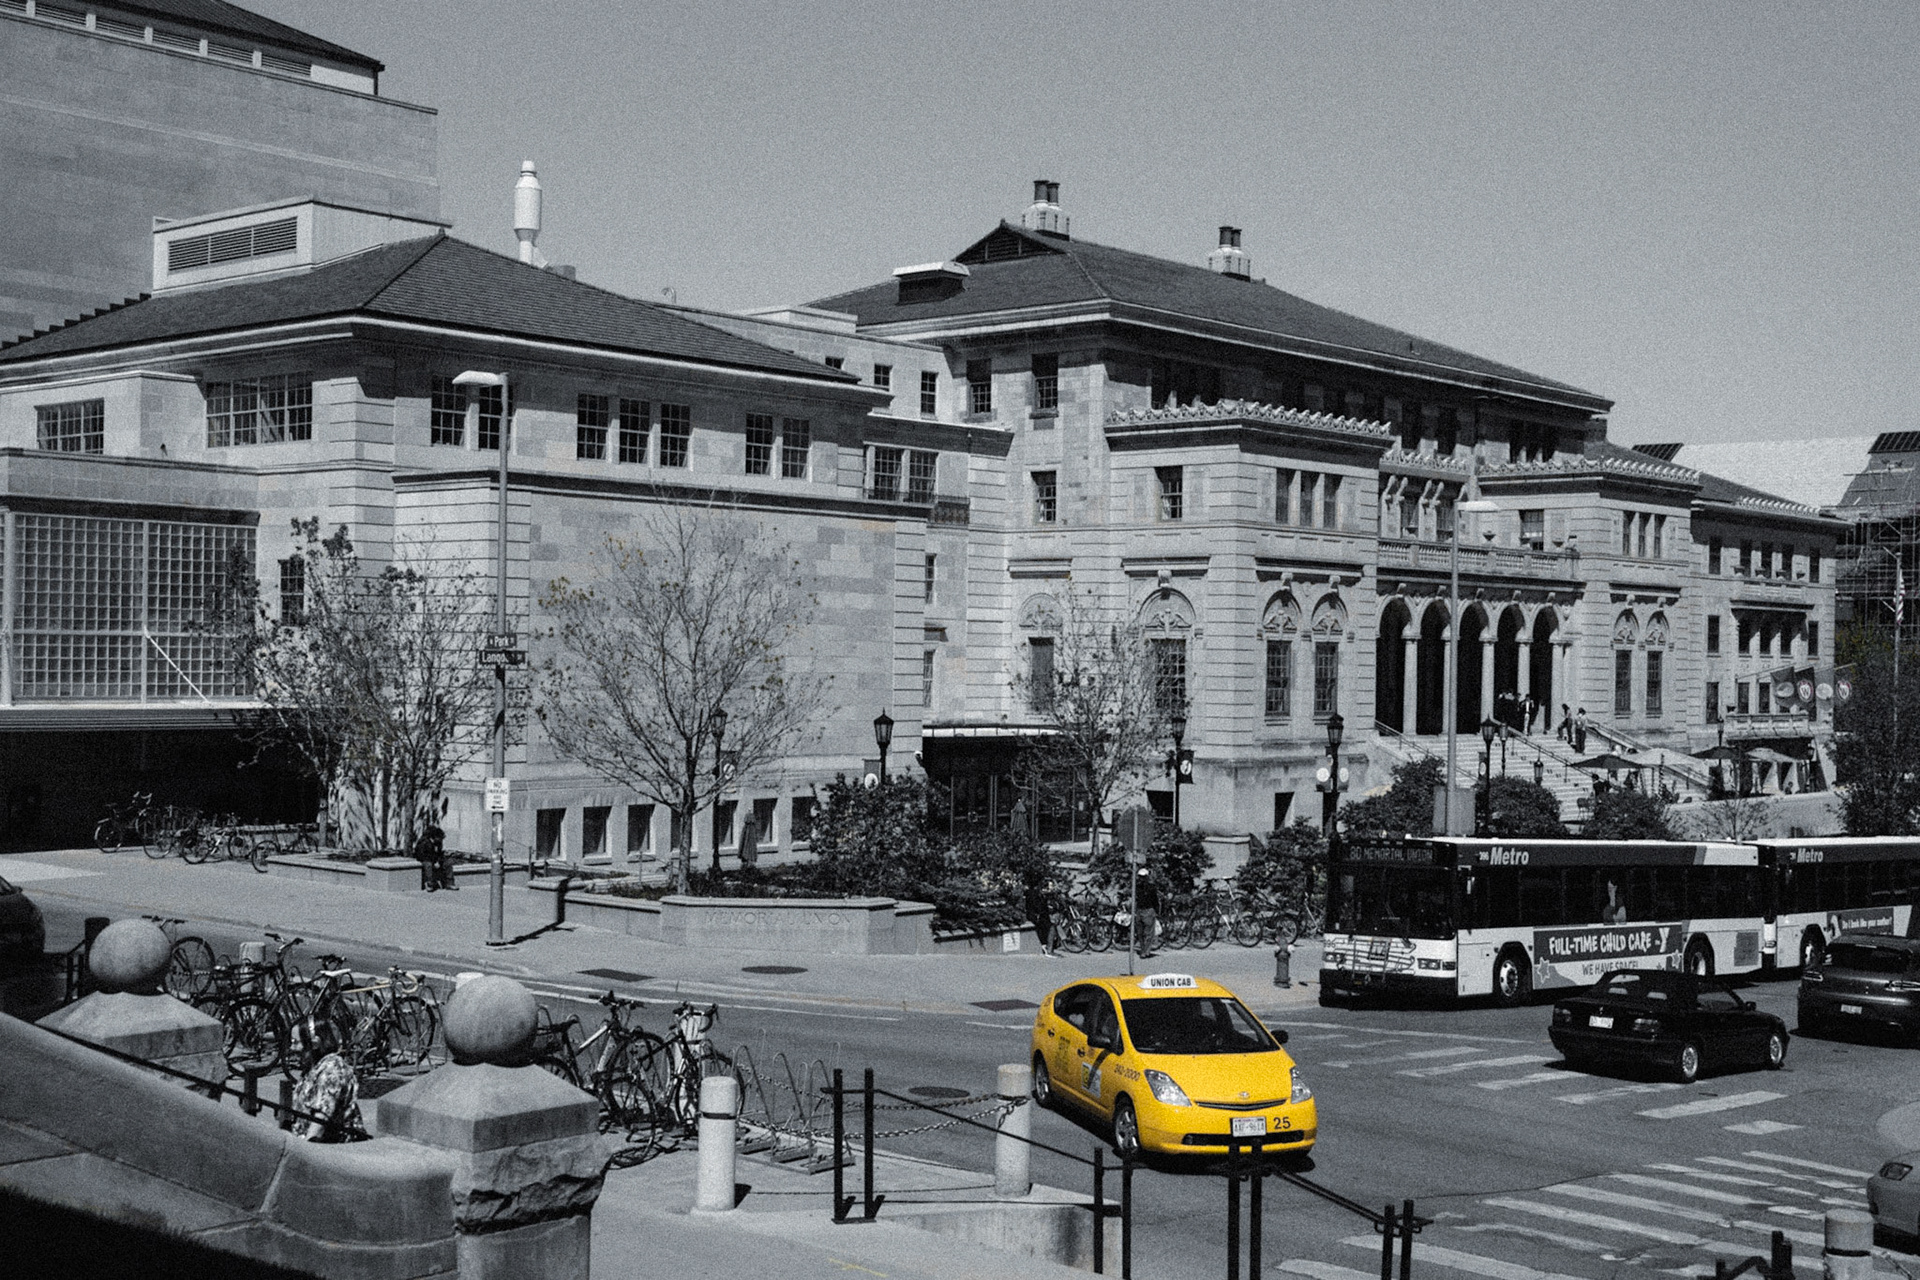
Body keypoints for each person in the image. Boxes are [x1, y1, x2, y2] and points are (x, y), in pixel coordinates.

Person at [290, 1015, 362, 1142]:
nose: (292, 1048)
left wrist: (302, 1154)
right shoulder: (313, 1066)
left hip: (331, 1149)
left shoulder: (332, 1072)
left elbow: (319, 1123)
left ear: (315, 1043)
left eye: (296, 1042)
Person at [414, 816, 452, 890]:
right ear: (434, 837)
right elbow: (421, 855)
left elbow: (439, 853)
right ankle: (430, 884)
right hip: (425, 860)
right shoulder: (424, 842)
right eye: (439, 838)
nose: (441, 840)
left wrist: (439, 860)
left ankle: (449, 883)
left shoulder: (438, 843)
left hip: (434, 860)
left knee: (448, 863)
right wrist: (433, 862)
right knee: (428, 865)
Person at [1133, 864, 1160, 959]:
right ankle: (1146, 951)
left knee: (1141, 933)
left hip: (1140, 911)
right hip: (1148, 911)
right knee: (1148, 933)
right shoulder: (1151, 887)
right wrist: (1157, 910)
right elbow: (1155, 900)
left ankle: (1143, 950)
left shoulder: (1136, 887)